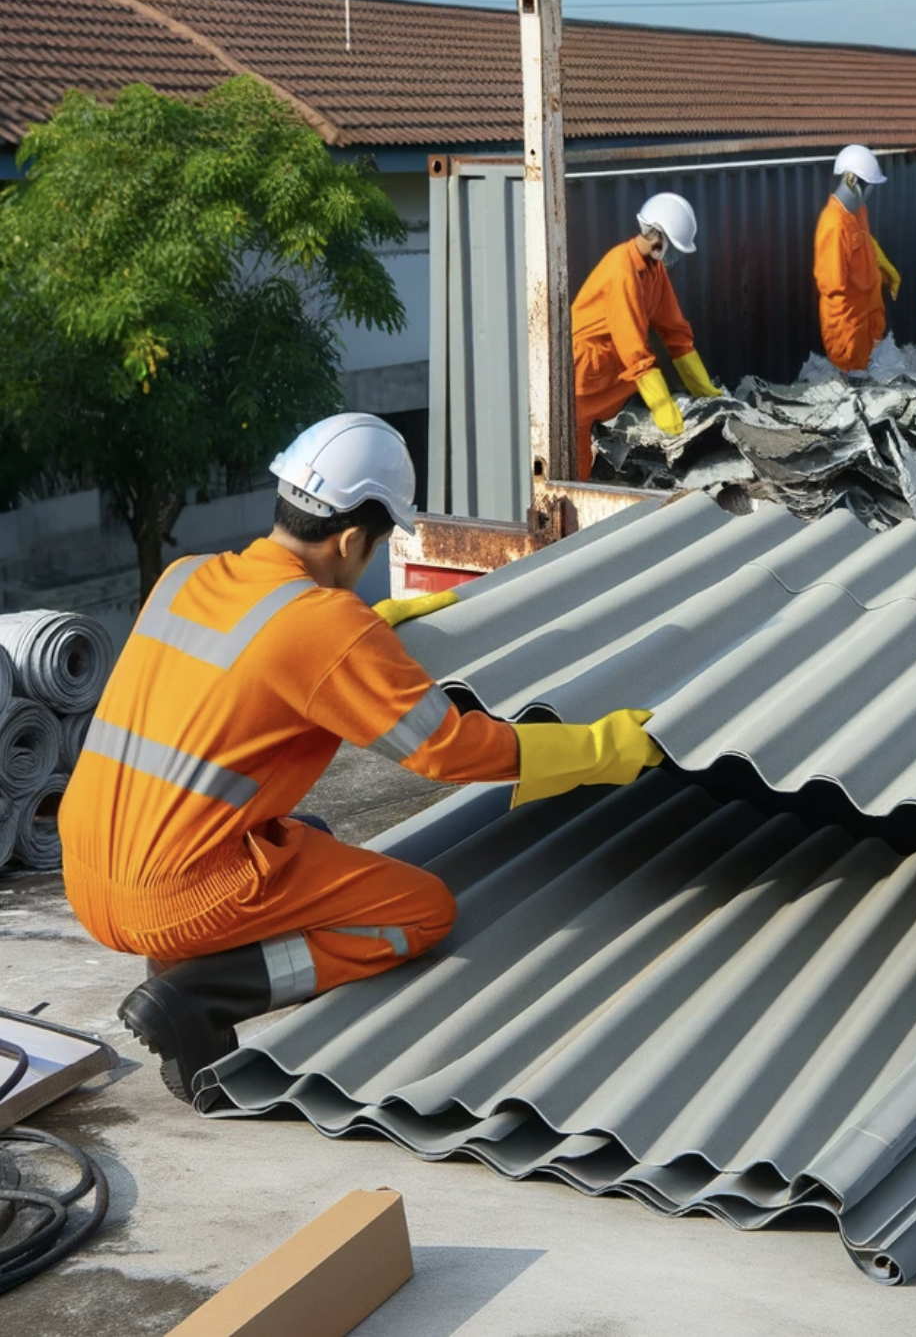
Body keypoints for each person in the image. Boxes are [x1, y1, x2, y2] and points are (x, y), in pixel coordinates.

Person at [59, 414, 663, 1102]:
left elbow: (252, 666)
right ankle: (200, 995)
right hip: (172, 897)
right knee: (418, 912)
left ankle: (179, 967)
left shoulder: (184, 577)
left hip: (86, 870)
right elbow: (448, 749)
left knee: (308, 835)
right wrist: (598, 749)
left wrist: (366, 631)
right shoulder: (323, 627)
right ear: (350, 540)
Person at [572, 193, 720, 480]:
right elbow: (633, 349)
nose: (674, 256)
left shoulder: (654, 270)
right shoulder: (622, 271)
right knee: (575, 465)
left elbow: (674, 329)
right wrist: (663, 407)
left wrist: (702, 388)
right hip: (585, 373)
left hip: (615, 368)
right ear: (657, 238)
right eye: (674, 247)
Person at [813, 144, 903, 371]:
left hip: (869, 315)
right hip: (849, 324)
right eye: (870, 185)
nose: (872, 190)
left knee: (873, 375)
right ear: (852, 181)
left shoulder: (858, 212)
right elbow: (834, 286)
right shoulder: (834, 223)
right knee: (854, 381)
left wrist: (882, 270)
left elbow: (864, 244)